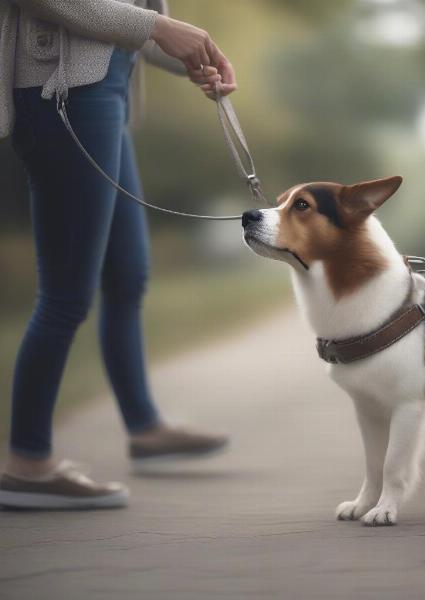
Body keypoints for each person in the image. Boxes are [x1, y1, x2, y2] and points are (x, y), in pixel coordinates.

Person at [0, 0, 236, 510]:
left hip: (107, 90)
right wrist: (157, 25)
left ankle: (145, 428)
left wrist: (195, 55)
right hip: (62, 92)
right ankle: (27, 461)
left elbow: (131, 23)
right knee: (65, 296)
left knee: (127, 276)